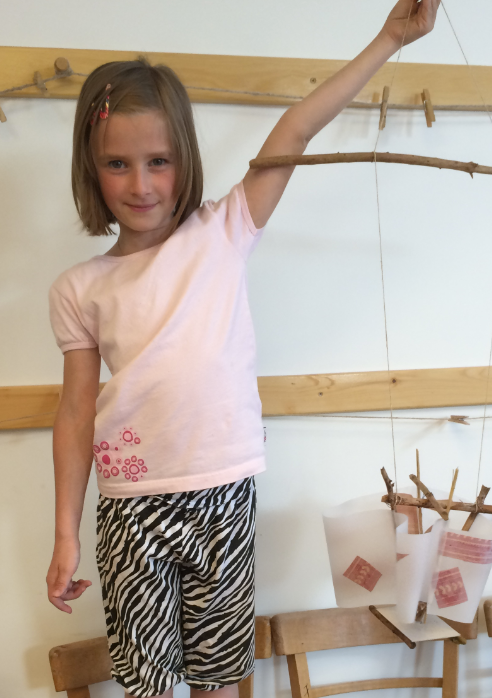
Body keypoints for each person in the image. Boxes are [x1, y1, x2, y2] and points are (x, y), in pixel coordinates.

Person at [45, 2, 440, 696]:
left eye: (159, 161)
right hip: (131, 509)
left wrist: (389, 38)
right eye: (117, 164)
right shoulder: (79, 288)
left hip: (224, 497)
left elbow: (298, 127)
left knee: (220, 678)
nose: (140, 184)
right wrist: (65, 533)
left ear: (184, 160)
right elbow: (76, 412)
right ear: (91, 167)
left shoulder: (223, 231)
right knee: (145, 683)